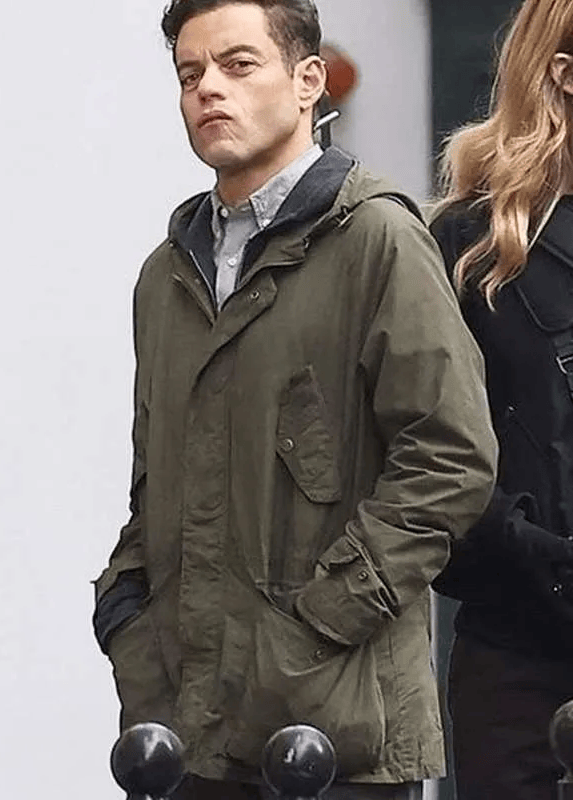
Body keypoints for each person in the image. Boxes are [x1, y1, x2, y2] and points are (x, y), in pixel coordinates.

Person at [92, 1, 497, 798]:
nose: (209, 89)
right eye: (189, 73)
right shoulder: (165, 276)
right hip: (183, 733)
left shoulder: (378, 239)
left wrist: (316, 626)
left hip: (334, 737)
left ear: (309, 80)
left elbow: (451, 460)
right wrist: (126, 614)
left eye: (238, 64)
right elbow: (155, 484)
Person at [431, 1, 573, 798]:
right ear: (565, 74)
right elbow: (426, 456)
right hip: (517, 660)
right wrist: (537, 559)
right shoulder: (468, 244)